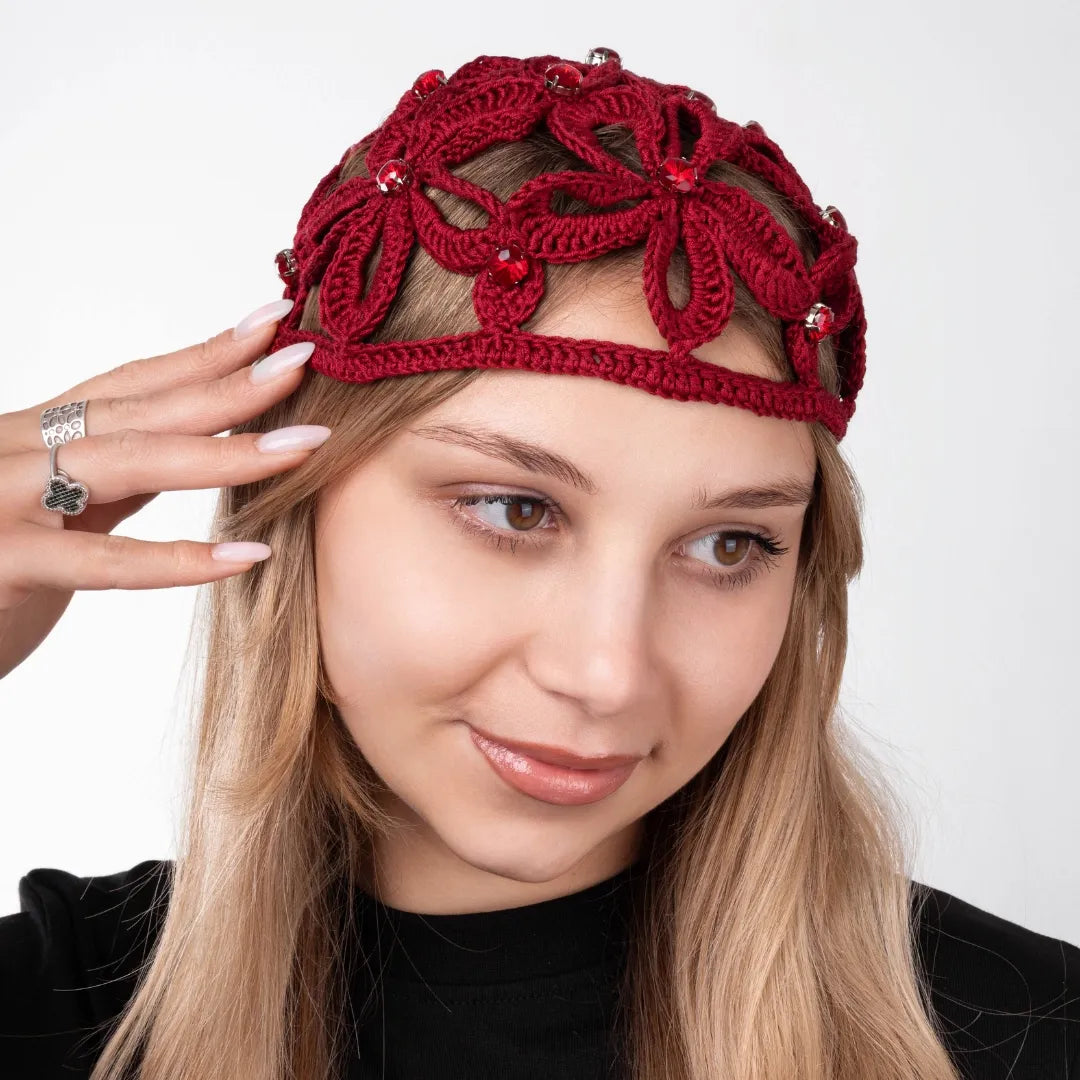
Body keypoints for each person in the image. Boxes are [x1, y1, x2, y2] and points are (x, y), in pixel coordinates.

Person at [0, 47, 1076, 1080]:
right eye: (516, 510)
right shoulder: (56, 1017)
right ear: (295, 498)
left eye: (728, 545)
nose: (607, 675)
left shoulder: (1032, 1035)